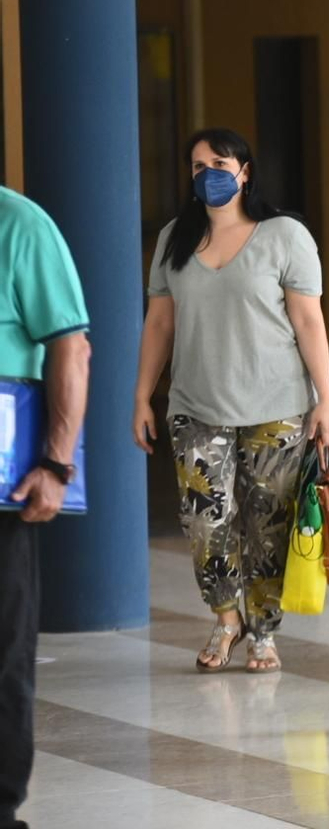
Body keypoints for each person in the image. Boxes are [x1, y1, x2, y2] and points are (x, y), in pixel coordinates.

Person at [132, 129, 329, 675]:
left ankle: (263, 631)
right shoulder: (175, 238)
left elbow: (309, 321)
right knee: (205, 524)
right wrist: (142, 396)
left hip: (278, 406)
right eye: (197, 166)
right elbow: (159, 323)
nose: (207, 174)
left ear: (245, 170)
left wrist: (325, 400)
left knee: (268, 524)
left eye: (219, 162)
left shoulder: (285, 235)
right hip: (196, 405)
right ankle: (226, 618)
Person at [0, 188, 90, 829]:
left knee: (2, 647)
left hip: (2, 480)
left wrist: (57, 463)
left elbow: (70, 346)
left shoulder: (20, 225)